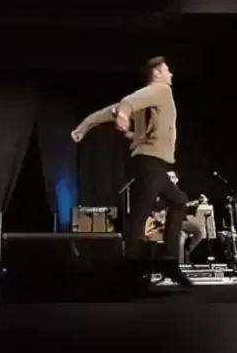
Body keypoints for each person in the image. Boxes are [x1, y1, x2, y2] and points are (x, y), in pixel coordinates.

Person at [71, 56, 191, 287]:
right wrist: (124, 114)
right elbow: (126, 103)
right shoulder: (161, 90)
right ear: (157, 73)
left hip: (153, 163)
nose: (171, 74)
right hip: (150, 162)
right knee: (140, 215)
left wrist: (84, 127)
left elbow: (110, 111)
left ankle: (167, 261)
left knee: (178, 202)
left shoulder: (148, 99)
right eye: (167, 70)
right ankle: (130, 270)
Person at [153, 172, 204, 264]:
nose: (169, 180)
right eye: (167, 178)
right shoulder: (162, 193)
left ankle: (186, 252)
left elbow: (185, 208)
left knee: (200, 230)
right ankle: (179, 264)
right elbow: (157, 210)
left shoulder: (181, 194)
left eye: (172, 177)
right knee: (181, 236)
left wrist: (197, 203)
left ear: (177, 179)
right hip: (169, 222)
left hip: (181, 221)